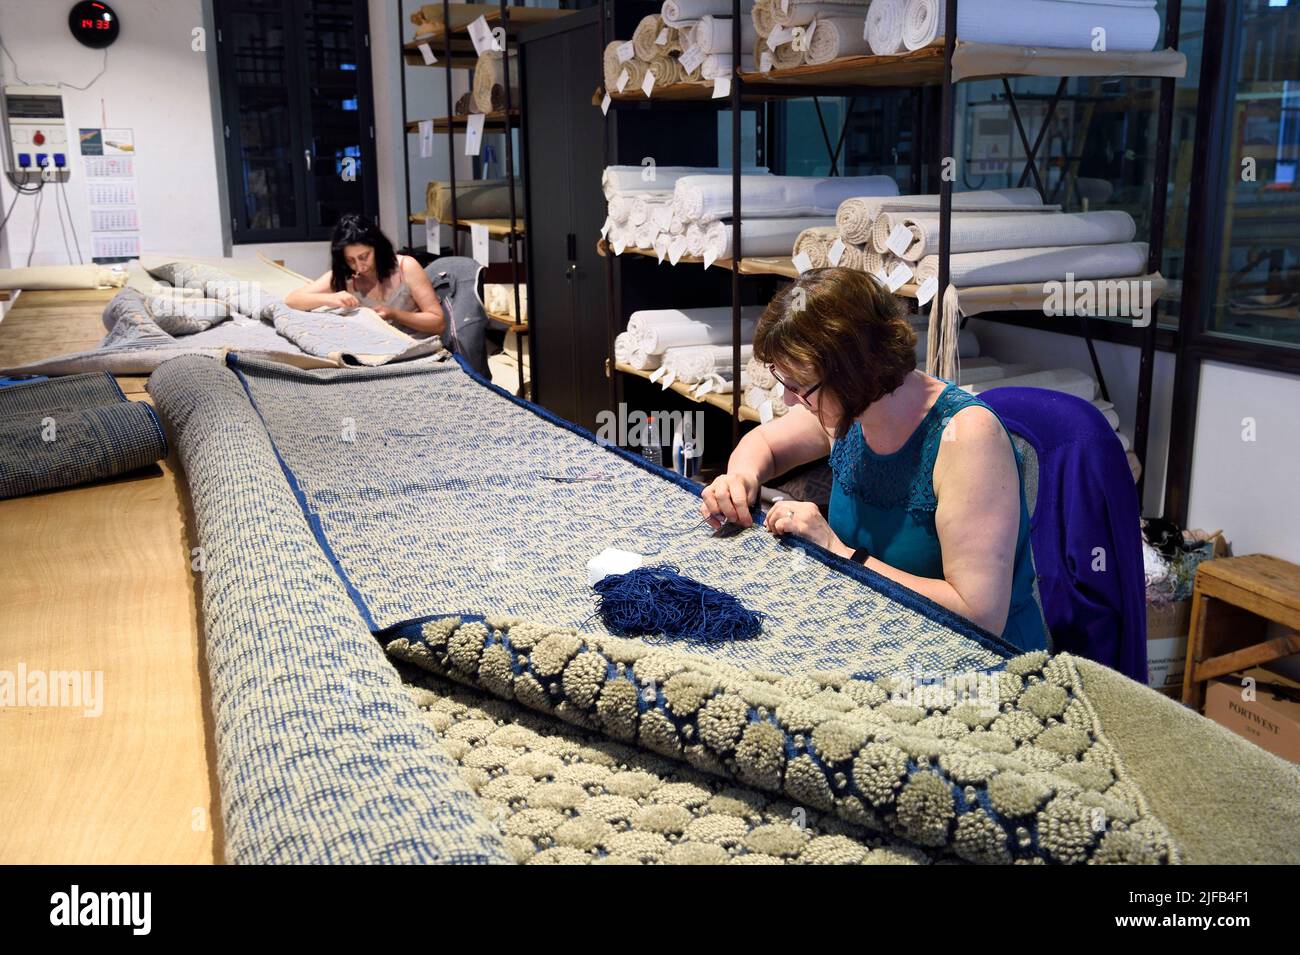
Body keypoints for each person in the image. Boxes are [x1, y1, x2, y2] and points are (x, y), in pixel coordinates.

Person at [699, 268, 1047, 651]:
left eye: (798, 388)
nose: (787, 401)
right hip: (875, 626)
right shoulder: (851, 410)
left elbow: (979, 617)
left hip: (977, 662)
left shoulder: (968, 439)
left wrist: (839, 553)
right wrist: (741, 478)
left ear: (852, 375)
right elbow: (766, 443)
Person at [284, 213, 446, 337]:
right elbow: (292, 300)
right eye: (350, 260)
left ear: (377, 248)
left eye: (364, 256)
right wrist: (329, 298)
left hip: (415, 343)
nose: (359, 266)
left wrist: (395, 314)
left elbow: (438, 323)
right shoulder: (345, 275)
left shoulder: (405, 267)